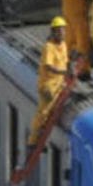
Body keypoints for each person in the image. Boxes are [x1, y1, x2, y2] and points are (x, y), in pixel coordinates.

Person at [27, 16, 71, 153]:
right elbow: (48, 66)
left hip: (59, 83)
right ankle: (33, 141)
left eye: (63, 30)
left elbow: (65, 62)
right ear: (53, 32)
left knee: (52, 110)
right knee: (44, 112)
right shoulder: (49, 47)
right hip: (48, 85)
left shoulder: (63, 45)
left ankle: (41, 138)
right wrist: (64, 72)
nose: (62, 33)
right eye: (59, 30)